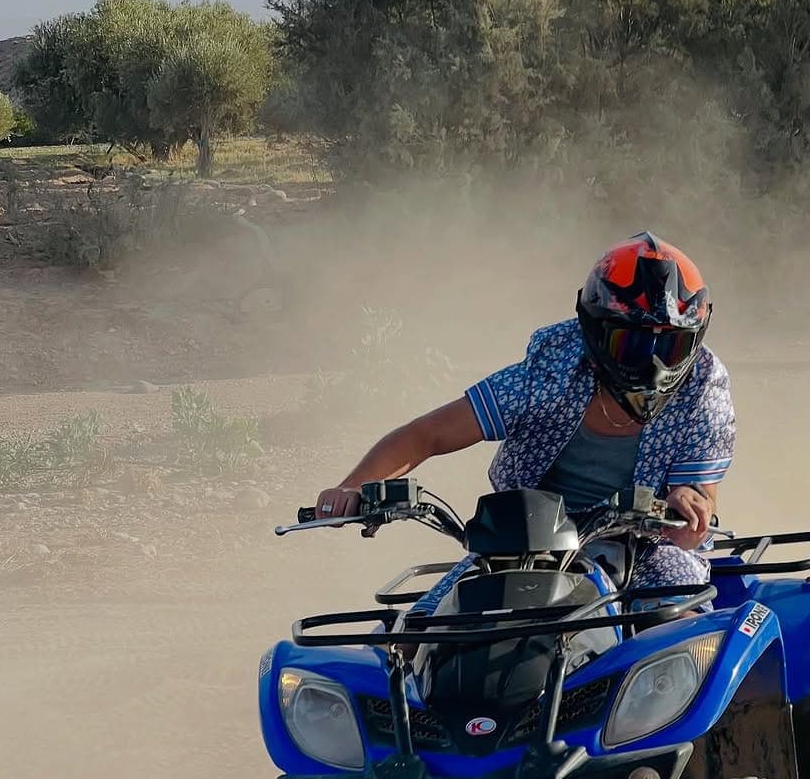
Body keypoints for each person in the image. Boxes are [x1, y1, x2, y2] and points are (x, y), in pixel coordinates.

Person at [315, 232, 735, 605]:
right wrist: (353, 486)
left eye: (673, 346)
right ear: (595, 331)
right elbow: (426, 435)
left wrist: (690, 509)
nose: (654, 365)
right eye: (631, 345)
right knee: (418, 639)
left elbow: (698, 496)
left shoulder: (702, 388)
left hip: (643, 550)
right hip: (520, 548)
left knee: (678, 627)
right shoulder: (551, 369)